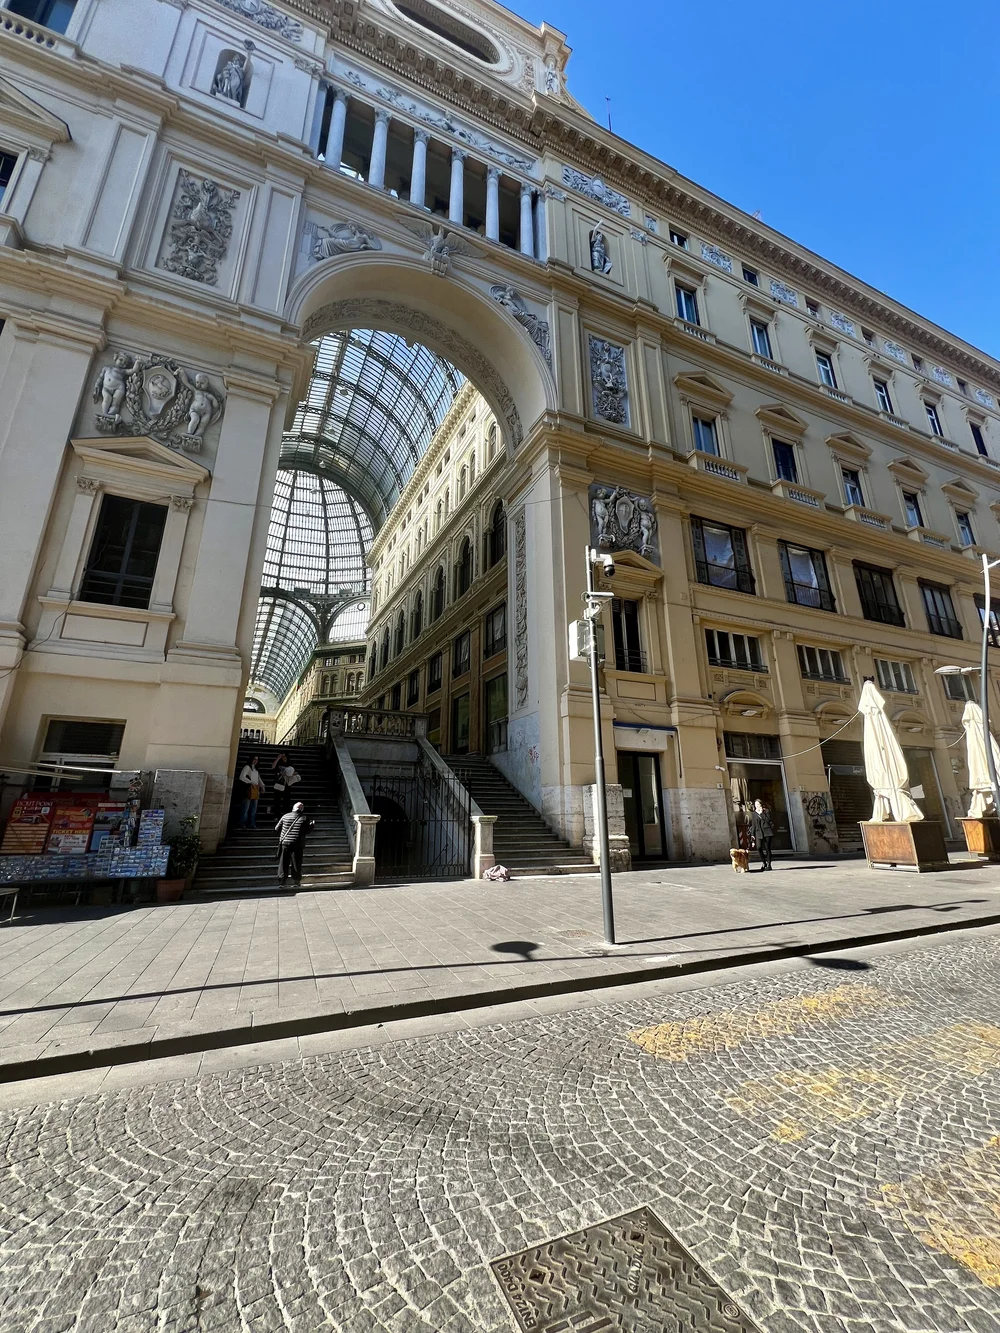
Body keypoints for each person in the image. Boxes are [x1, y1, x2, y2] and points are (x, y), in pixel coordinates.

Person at [275, 802, 315, 889]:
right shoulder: (304, 818)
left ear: (293, 808)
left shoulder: (285, 816)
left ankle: (282, 882)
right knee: (296, 863)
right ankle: (296, 881)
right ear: (302, 809)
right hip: (297, 844)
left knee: (283, 863)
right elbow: (307, 831)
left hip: (285, 843)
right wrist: (312, 826)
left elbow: (277, 828)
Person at [238, 755, 266, 830]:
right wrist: (250, 782)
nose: (255, 761)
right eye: (254, 759)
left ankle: (252, 823)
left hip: (255, 789)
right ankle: (243, 823)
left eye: (257, 759)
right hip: (249, 789)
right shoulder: (247, 767)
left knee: (254, 808)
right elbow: (242, 777)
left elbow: (258, 778)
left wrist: (262, 786)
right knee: (246, 807)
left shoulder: (256, 769)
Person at [749, 798, 775, 871]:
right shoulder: (754, 813)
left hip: (767, 832)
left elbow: (767, 820)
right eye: (755, 805)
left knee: (767, 849)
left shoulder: (766, 811)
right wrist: (752, 834)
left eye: (758, 804)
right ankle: (764, 863)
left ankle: (769, 865)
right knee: (759, 847)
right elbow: (753, 824)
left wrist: (762, 812)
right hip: (758, 832)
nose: (757, 806)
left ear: (761, 804)